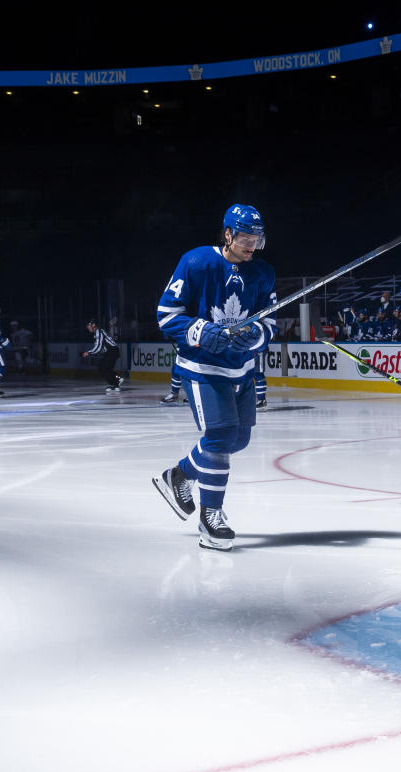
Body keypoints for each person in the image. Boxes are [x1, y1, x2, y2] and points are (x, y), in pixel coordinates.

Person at [150, 203, 278, 550]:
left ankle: (177, 475)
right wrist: (199, 330)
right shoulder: (196, 262)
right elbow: (166, 314)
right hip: (203, 368)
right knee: (220, 438)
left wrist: (257, 335)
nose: (252, 245)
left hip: (242, 369)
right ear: (227, 234)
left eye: (257, 238)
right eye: (245, 238)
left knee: (239, 440)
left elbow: (270, 323)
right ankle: (211, 519)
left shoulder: (263, 273)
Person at [82, 318, 123, 393]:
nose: (87, 327)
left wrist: (88, 352)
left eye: (88, 325)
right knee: (102, 368)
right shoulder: (97, 333)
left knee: (104, 368)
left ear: (93, 325)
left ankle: (116, 381)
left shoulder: (98, 332)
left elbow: (98, 347)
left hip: (112, 351)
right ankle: (116, 381)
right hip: (110, 352)